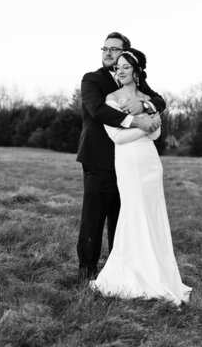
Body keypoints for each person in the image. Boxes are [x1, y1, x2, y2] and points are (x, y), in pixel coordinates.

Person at [89, 48, 192, 305]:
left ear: (137, 71)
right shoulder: (111, 99)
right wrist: (143, 125)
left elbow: (156, 134)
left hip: (150, 163)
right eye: (117, 67)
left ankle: (157, 271)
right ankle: (131, 273)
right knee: (134, 213)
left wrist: (149, 125)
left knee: (153, 214)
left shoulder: (148, 98)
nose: (120, 71)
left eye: (125, 66)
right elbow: (118, 137)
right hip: (129, 161)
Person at [76, 32, 166, 282]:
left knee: (123, 216)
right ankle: (87, 271)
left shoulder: (132, 78)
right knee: (93, 217)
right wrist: (135, 120)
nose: (107, 53)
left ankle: (121, 269)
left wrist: (145, 106)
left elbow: (159, 100)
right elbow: (98, 110)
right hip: (99, 159)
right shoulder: (92, 80)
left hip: (129, 163)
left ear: (126, 53)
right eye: (104, 48)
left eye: (114, 49)